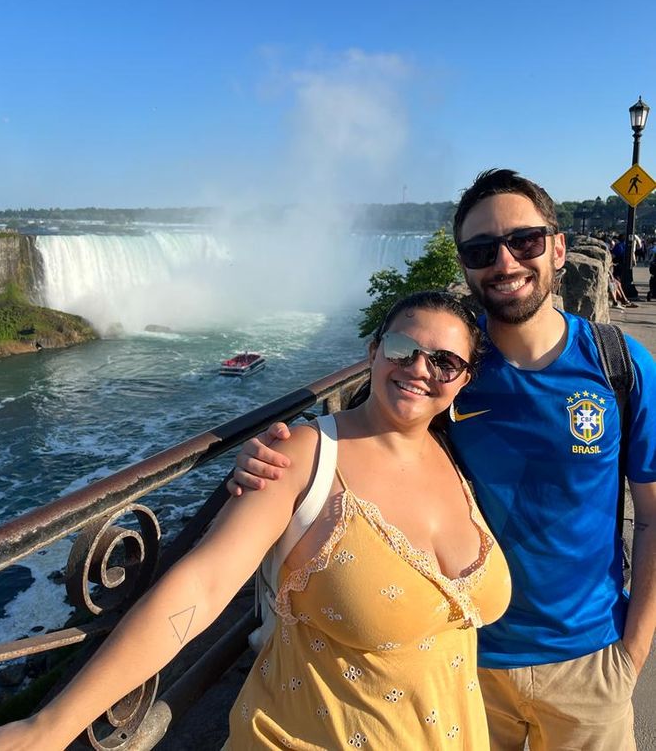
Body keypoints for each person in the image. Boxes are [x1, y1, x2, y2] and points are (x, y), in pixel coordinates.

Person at [231, 170, 656, 751]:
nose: (504, 262)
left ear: (559, 247)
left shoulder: (619, 366)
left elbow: (652, 515)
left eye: (524, 241)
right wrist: (270, 463)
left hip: (589, 662)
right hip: (460, 658)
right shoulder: (446, 369)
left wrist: (633, 652)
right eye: (481, 250)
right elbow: (351, 442)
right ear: (465, 266)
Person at [0, 291, 511, 751]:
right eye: (403, 349)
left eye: (444, 362)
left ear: (463, 381)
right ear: (373, 353)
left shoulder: (454, 456)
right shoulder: (301, 459)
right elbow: (203, 586)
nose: (420, 369)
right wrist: (51, 724)